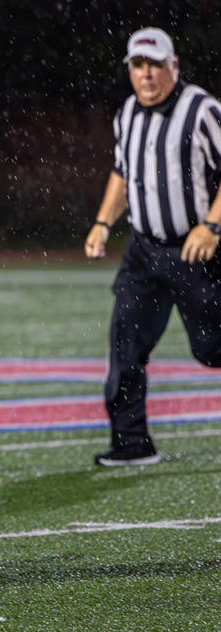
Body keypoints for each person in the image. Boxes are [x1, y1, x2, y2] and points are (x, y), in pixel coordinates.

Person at [84, 27, 221, 466]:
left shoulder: (203, 110)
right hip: (143, 251)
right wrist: (104, 222)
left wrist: (212, 226)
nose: (146, 74)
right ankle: (131, 442)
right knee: (125, 345)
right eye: (138, 66)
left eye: (155, 65)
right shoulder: (127, 113)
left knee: (211, 349)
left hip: (197, 251)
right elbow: (123, 173)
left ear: (173, 66)